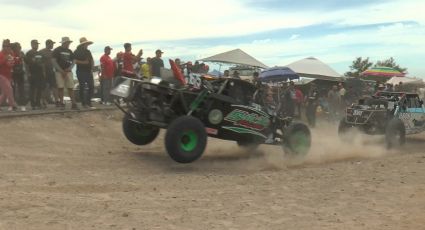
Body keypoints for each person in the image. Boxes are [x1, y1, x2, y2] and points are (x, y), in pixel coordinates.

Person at [52, 36, 78, 110]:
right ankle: (61, 102)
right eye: (67, 43)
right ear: (64, 42)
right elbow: (54, 61)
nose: (68, 44)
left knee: (70, 87)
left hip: (68, 71)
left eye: (69, 43)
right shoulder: (57, 50)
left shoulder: (69, 51)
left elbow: (74, 61)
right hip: (59, 71)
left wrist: (69, 69)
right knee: (60, 87)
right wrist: (61, 70)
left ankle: (74, 103)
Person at [74, 37, 95, 109]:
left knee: (91, 86)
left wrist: (92, 68)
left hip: (88, 71)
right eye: (86, 44)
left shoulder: (88, 51)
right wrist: (84, 62)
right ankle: (84, 103)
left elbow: (91, 60)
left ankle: (88, 102)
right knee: (82, 87)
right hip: (80, 71)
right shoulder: (76, 51)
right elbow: (74, 61)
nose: (87, 45)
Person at [25, 39, 45, 110]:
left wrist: (43, 72)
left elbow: (42, 63)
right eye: (35, 44)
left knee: (39, 88)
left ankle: (38, 103)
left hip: (40, 73)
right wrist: (28, 73)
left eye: (37, 44)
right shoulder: (29, 53)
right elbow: (26, 64)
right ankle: (33, 104)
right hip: (32, 73)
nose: (36, 45)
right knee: (33, 89)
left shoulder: (39, 53)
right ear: (32, 44)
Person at [0, 39, 18, 111]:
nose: (7, 47)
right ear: (3, 46)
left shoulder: (11, 53)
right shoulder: (1, 54)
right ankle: (13, 105)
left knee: (5, 93)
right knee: (9, 89)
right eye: (5, 46)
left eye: (8, 46)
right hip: (1, 75)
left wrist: (17, 59)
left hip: (9, 75)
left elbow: (14, 63)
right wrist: (5, 58)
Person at [39, 39, 59, 107]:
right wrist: (43, 71)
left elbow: (54, 62)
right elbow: (40, 62)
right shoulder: (41, 52)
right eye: (52, 44)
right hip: (44, 71)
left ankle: (57, 101)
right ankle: (43, 101)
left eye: (53, 44)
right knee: (44, 87)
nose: (53, 45)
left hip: (51, 71)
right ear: (48, 44)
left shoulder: (52, 52)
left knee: (54, 86)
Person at [11, 42, 27, 111]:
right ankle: (13, 105)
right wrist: (18, 58)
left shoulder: (22, 53)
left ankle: (22, 105)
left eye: (19, 47)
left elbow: (25, 62)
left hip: (20, 73)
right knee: (13, 90)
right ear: (14, 48)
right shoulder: (12, 54)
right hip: (13, 73)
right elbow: (12, 62)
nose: (19, 48)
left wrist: (23, 57)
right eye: (18, 47)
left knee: (21, 89)